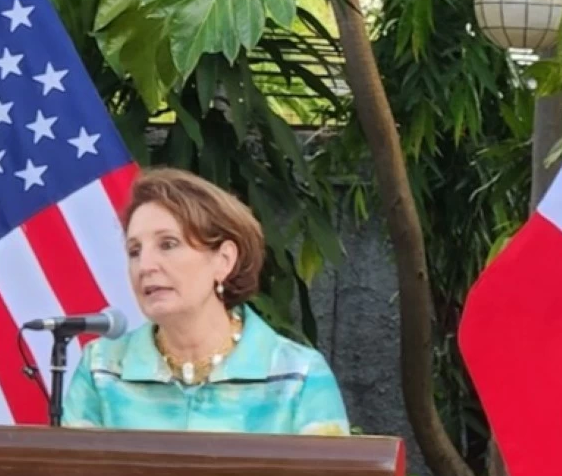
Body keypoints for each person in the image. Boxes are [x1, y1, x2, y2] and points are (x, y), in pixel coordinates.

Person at [63, 169, 349, 435]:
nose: (145, 265)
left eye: (168, 244)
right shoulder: (101, 369)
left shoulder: (298, 375)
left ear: (224, 260)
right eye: (134, 250)